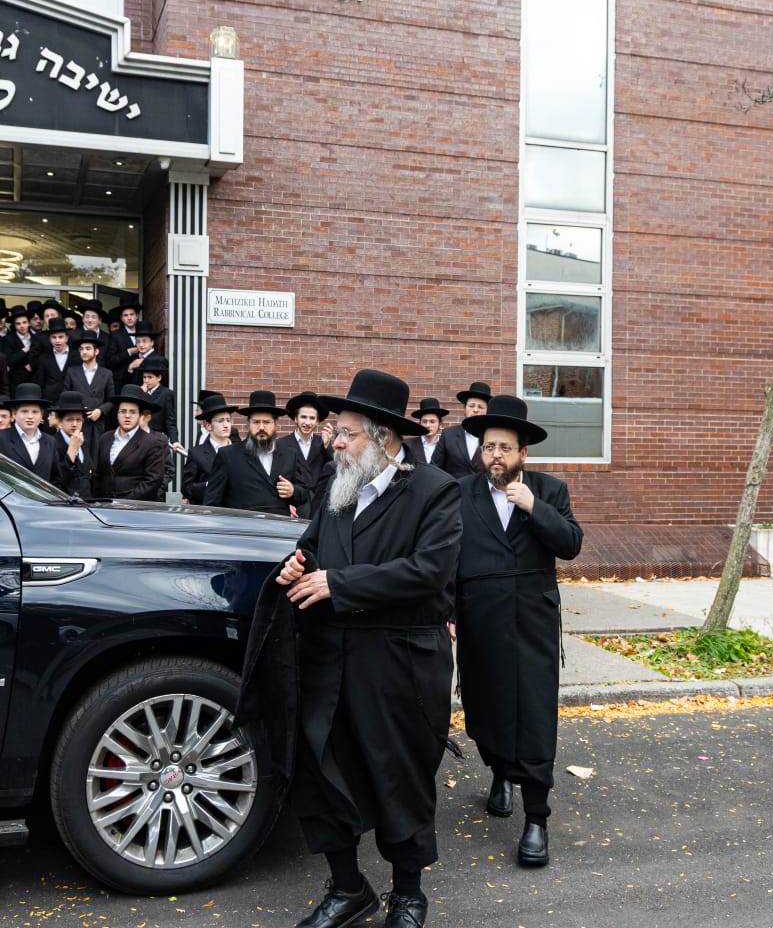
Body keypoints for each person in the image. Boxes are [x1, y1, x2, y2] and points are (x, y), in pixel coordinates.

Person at [238, 369, 461, 928]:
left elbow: (429, 572)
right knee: (321, 773)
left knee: (399, 778)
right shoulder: (337, 490)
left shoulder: (435, 491)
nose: (334, 442)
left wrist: (339, 584)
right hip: (331, 661)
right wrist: (295, 568)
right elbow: (311, 549)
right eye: (335, 432)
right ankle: (347, 889)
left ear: (383, 439)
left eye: (346, 433)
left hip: (399, 666)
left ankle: (407, 894)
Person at [453, 394, 582, 868]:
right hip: (479, 620)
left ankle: (536, 819)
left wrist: (534, 507)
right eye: (489, 447)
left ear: (523, 453)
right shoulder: (460, 493)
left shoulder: (549, 490)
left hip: (533, 622)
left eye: (505, 448)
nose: (496, 456)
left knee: (534, 713)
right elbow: (446, 555)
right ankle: (500, 771)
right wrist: (447, 610)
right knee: (485, 707)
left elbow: (571, 545)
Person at [205, 390, 309, 516]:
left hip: (279, 526)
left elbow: (304, 493)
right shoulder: (228, 455)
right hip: (243, 525)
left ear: (276, 425)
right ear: (248, 424)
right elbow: (212, 502)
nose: (261, 427)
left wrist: (293, 491)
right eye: (256, 422)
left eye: (266, 422)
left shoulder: (290, 454)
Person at [91, 385, 166, 501]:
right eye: (123, 411)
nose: (127, 416)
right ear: (117, 414)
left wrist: (126, 502)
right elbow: (98, 475)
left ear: (140, 415)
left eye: (132, 412)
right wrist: (97, 501)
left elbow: (153, 480)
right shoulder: (104, 439)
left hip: (135, 506)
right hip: (104, 505)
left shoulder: (152, 442)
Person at [0, 383, 64, 484]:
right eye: (24, 411)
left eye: (35, 412)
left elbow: (56, 480)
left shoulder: (50, 442)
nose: (30, 416)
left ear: (41, 415)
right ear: (14, 414)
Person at [277, 391, 333, 517]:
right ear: (295, 419)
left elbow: (334, 468)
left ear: (317, 421)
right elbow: (277, 477)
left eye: (312, 418)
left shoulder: (323, 443)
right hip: (294, 507)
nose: (307, 422)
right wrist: (285, 503)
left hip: (319, 507)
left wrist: (327, 446)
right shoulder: (281, 444)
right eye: (303, 417)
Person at [183, 392, 237, 505]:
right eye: (220, 421)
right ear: (208, 425)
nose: (226, 425)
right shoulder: (196, 453)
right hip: (209, 511)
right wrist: (210, 485)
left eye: (228, 420)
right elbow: (187, 488)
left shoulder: (241, 451)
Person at [439, 381, 492, 479]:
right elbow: (435, 469)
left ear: (487, 411)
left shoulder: (493, 438)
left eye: (480, 407)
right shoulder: (448, 435)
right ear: (464, 409)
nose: (475, 410)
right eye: (471, 406)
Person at [51, 390, 93, 497]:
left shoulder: (84, 442)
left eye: (78, 420)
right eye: (69, 419)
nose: (75, 424)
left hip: (87, 501)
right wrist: (72, 449)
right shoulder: (52, 444)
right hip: (65, 501)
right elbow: (58, 479)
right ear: (60, 421)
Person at [32, 317, 77, 403]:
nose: (57, 341)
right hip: (50, 402)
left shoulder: (77, 356)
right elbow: (40, 383)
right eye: (54, 337)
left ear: (66, 338)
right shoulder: (43, 358)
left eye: (60, 337)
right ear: (49, 339)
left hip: (71, 401)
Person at [403, 398, 449, 470]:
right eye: (424, 421)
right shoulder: (407, 445)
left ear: (440, 424)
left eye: (432, 421)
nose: (428, 425)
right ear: (420, 424)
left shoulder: (447, 446)